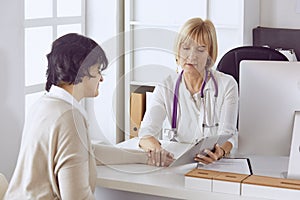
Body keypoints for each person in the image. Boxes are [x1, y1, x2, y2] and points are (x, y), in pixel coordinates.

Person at [4, 33, 173, 200]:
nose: (101, 79)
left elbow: (89, 152)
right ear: (82, 71)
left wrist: (145, 157)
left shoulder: (44, 105)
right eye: (98, 70)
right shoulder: (69, 117)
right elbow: (76, 197)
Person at [138, 18, 239, 164]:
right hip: (175, 164)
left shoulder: (227, 85)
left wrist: (219, 151)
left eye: (200, 49)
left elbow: (228, 136)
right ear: (177, 51)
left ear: (210, 55)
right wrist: (157, 150)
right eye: (185, 48)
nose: (191, 56)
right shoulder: (166, 86)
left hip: (214, 166)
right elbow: (145, 134)